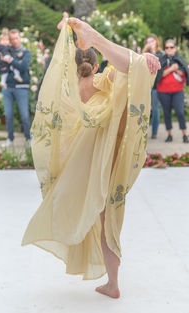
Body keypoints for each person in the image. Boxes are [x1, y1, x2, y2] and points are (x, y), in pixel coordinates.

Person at [21, 18, 160, 299]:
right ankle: (113, 282)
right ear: (96, 66)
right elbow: (125, 73)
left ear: (73, 68)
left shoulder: (70, 93)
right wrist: (141, 57)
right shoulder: (101, 80)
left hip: (85, 166)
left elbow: (55, 130)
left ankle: (112, 284)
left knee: (102, 219)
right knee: (111, 219)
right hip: (112, 157)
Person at [0, 29, 31, 148]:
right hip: (7, 88)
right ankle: (10, 139)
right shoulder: (6, 51)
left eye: (16, 38)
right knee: (8, 115)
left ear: (20, 38)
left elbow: (23, 67)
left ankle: (28, 139)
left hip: (22, 88)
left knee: (25, 115)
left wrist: (11, 60)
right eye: (12, 39)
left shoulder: (26, 52)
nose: (14, 41)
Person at [156, 39, 189, 143]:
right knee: (167, 113)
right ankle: (169, 134)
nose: (169, 49)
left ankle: (184, 134)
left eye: (171, 47)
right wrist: (171, 69)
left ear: (175, 48)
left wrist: (176, 69)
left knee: (180, 112)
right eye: (167, 47)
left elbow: (184, 74)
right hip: (163, 91)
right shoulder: (161, 59)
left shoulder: (180, 59)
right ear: (164, 49)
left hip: (177, 91)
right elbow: (159, 76)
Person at [142, 34, 164, 139]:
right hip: (145, 86)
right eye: (148, 41)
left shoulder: (161, 54)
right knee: (143, 109)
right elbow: (138, 65)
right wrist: (145, 51)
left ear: (156, 41)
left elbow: (160, 69)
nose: (150, 43)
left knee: (155, 109)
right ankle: (142, 131)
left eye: (152, 41)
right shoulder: (144, 55)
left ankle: (154, 132)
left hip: (155, 87)